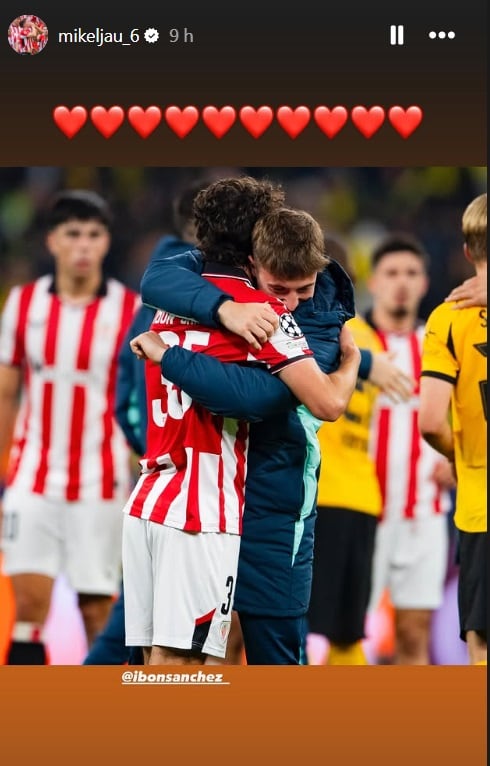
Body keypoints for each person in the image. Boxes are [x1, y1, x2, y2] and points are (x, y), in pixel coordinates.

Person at [125, 188, 360, 665]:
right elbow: (156, 278)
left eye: (302, 289)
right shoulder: (220, 295)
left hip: (264, 503)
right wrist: (225, 310)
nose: (290, 303)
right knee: (191, 660)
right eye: (279, 289)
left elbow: (272, 398)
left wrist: (168, 355)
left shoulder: (316, 311)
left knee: (246, 657)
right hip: (204, 505)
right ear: (254, 254)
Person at [0, 190, 140, 664]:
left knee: (97, 611)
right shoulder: (22, 304)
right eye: (73, 234)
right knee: (28, 609)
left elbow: (142, 399)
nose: (83, 245)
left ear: (106, 242)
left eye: (94, 234)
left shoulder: (130, 310)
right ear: (53, 240)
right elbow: (6, 392)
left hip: (101, 482)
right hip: (32, 479)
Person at [306, 239, 415, 666]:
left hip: (325, 496)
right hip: (357, 498)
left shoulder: (315, 331)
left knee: (310, 629)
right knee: (344, 633)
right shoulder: (369, 343)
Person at [365, 233, 455, 665]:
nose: (401, 282)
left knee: (414, 631)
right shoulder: (351, 343)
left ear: (424, 283)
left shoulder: (440, 347)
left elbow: (470, 414)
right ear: (373, 282)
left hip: (424, 511)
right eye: (391, 273)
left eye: (411, 273)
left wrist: (457, 459)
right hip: (362, 511)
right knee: (349, 632)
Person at [419, 193, 487, 665]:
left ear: (466, 251)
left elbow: (430, 421)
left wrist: (456, 455)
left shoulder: (447, 318)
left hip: (480, 504)